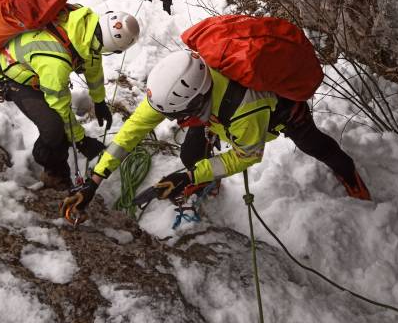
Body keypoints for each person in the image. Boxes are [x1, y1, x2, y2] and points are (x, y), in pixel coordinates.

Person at [61, 49, 371, 216]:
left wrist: (189, 177)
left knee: (315, 145)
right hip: (215, 112)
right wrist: (94, 180)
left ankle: (349, 173)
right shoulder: (178, 89)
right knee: (190, 155)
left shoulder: (246, 113)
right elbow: (133, 130)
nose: (172, 120)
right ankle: (204, 176)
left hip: (281, 114)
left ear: (194, 103)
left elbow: (247, 155)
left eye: (176, 116)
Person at [0, 6, 140, 190]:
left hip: (39, 72)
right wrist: (81, 140)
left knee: (62, 124)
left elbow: (93, 65)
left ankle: (61, 148)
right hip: (16, 80)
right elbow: (60, 107)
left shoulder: (88, 29)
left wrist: (99, 101)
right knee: (54, 127)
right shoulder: (56, 60)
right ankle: (52, 169)